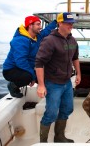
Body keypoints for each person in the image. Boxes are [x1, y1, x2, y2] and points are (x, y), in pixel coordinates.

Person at [35, 12, 81, 143]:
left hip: (67, 82)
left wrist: (79, 73)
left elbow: (75, 58)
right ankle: (43, 142)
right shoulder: (49, 40)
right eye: (68, 23)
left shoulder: (72, 40)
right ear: (59, 23)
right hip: (52, 83)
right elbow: (39, 62)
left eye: (72, 23)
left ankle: (59, 137)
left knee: (68, 109)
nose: (71, 26)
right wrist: (41, 85)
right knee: (51, 113)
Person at [2, 16, 57, 98]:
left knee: (45, 74)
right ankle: (13, 85)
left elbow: (47, 30)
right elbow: (21, 61)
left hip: (25, 67)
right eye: (38, 24)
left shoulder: (37, 36)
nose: (40, 27)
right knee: (28, 77)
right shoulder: (20, 40)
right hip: (11, 70)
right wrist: (33, 76)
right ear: (30, 26)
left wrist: (56, 22)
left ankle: (50, 95)